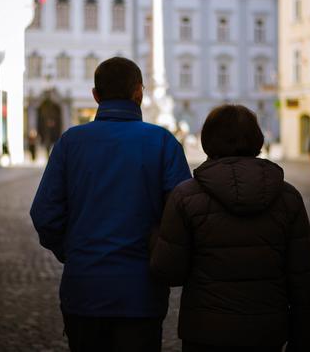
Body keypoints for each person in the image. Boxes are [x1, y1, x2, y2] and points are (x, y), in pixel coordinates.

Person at [30, 57, 191, 352]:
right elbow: (183, 217)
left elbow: (44, 213)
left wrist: (74, 251)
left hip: (84, 288)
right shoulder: (163, 142)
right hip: (141, 293)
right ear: (139, 93)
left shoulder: (70, 142)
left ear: (96, 95)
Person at [150, 105, 310, 352]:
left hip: (205, 331)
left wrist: (155, 235)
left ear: (207, 141)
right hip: (267, 332)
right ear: (257, 140)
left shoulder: (185, 197)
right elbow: (304, 281)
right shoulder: (288, 197)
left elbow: (168, 272)